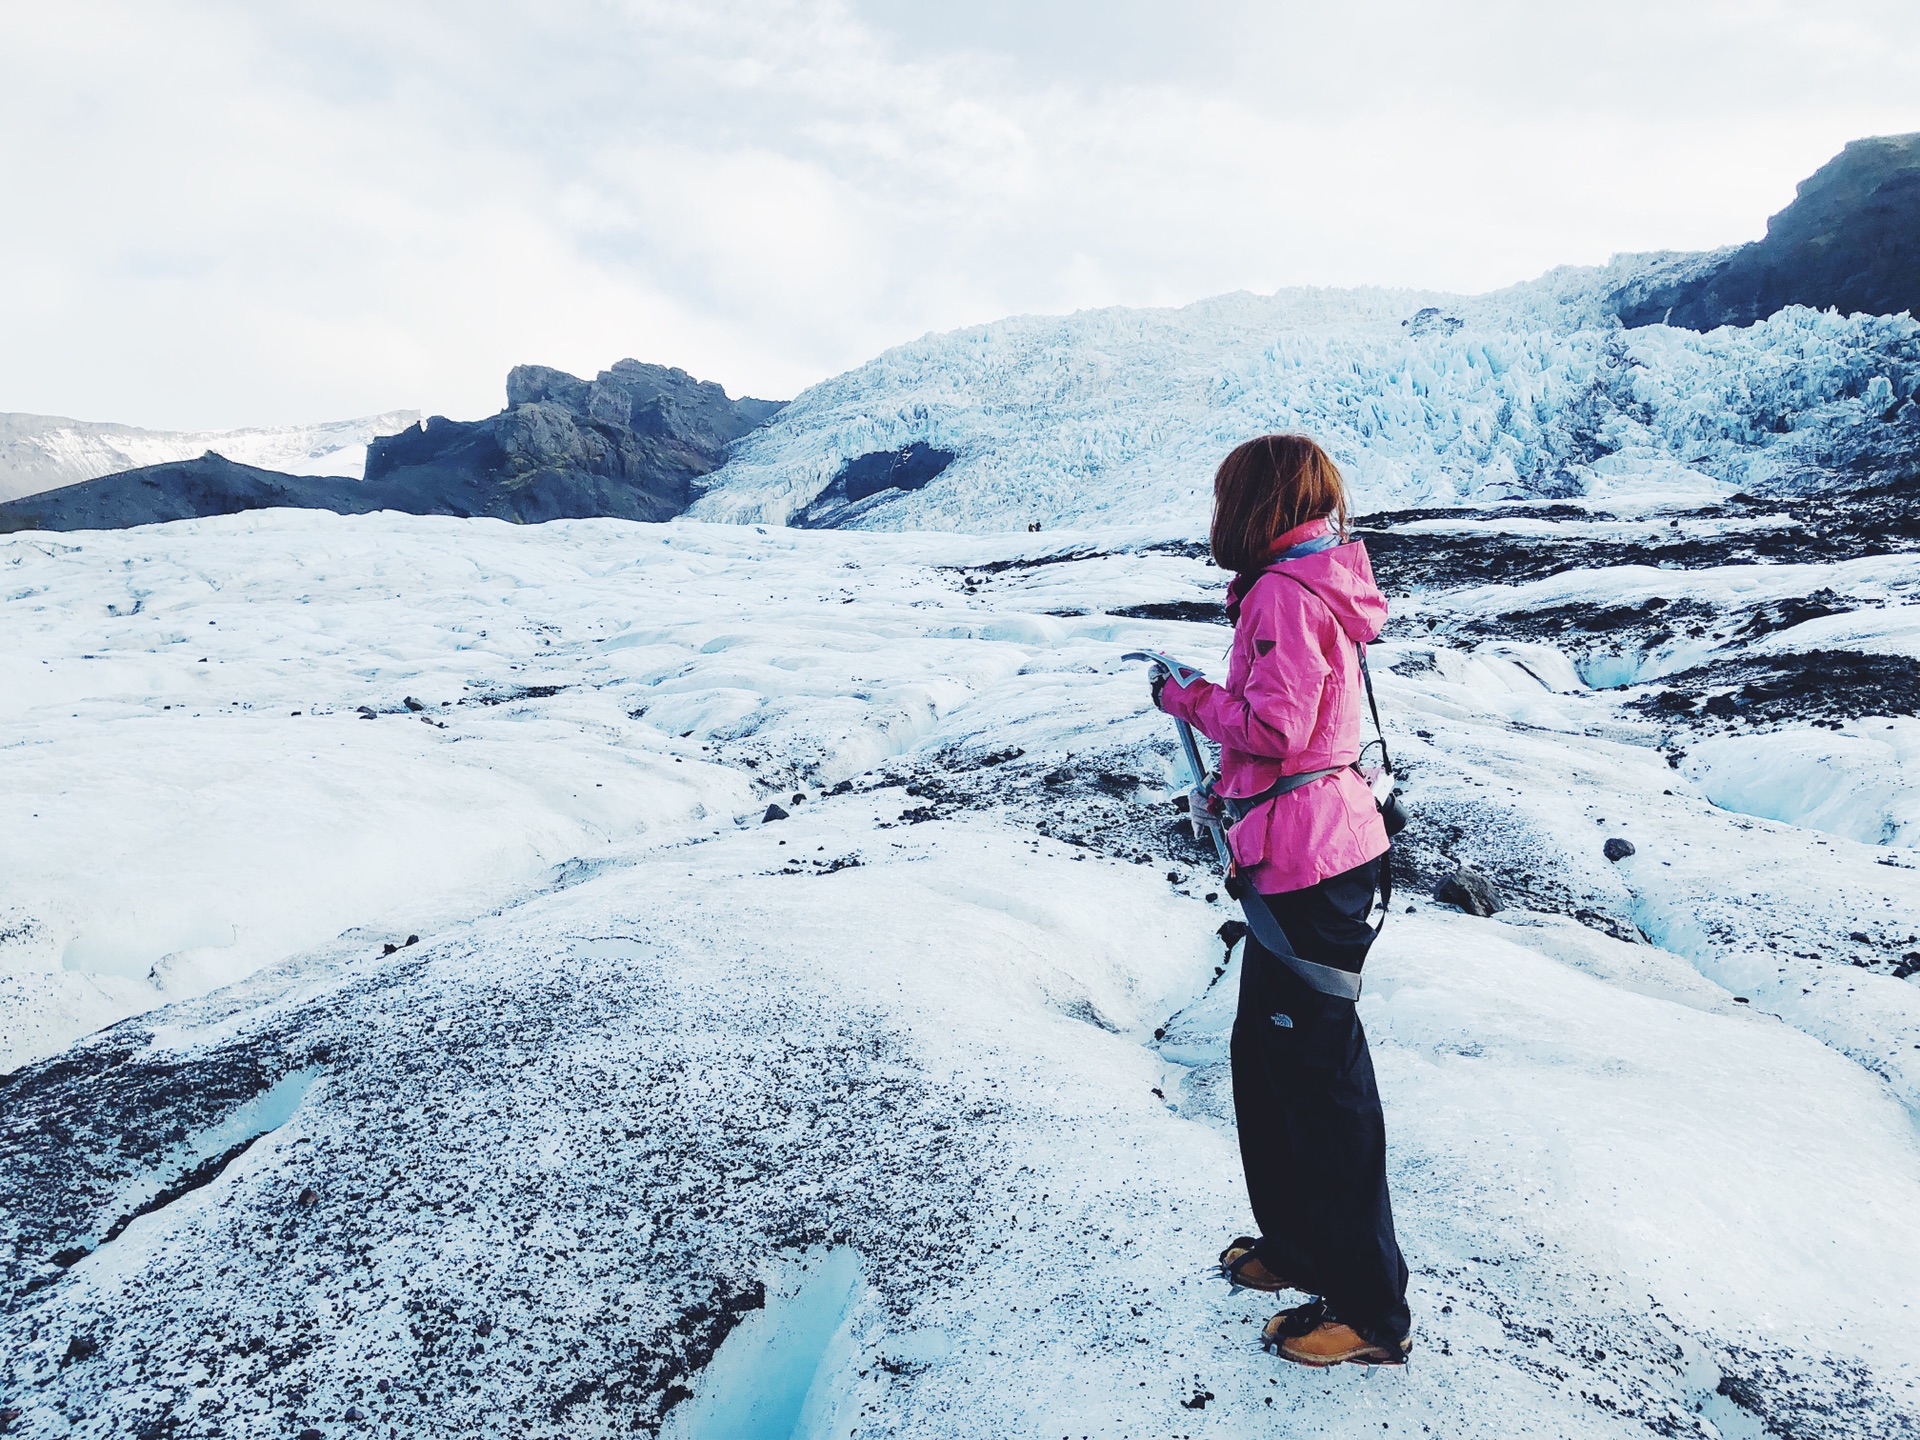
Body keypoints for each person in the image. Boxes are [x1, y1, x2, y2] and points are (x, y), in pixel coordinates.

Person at [1151, 433, 1411, 1367]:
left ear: (1253, 502)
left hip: (1307, 862)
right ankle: (1300, 1245)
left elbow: (1275, 724)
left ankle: (1373, 1311)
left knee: (1324, 1083)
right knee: (1268, 1059)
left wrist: (1188, 700)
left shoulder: (1281, 593)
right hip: (1305, 854)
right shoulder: (1310, 583)